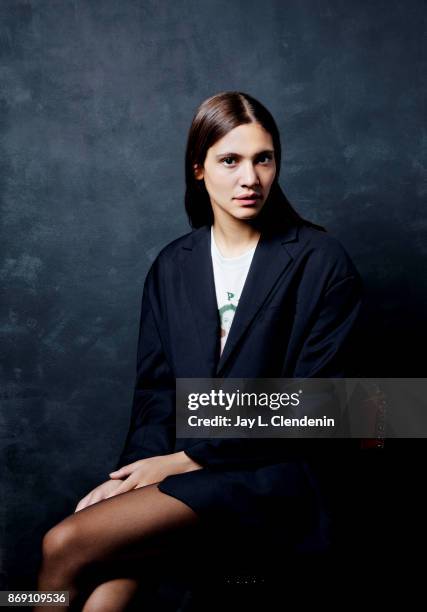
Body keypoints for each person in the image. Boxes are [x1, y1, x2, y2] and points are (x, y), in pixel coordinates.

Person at [35, 91, 363, 610]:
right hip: (187, 469)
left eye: (263, 159)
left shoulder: (321, 260)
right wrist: (132, 475)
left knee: (64, 543)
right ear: (198, 168)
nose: (249, 178)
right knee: (103, 592)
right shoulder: (173, 265)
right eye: (229, 160)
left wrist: (184, 459)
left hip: (273, 475)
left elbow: (318, 405)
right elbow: (157, 391)